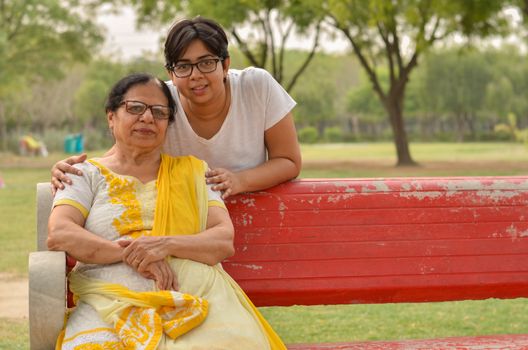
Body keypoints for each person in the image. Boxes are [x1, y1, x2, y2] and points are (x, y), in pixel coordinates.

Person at [47, 73, 286, 349]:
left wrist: (164, 245)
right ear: (111, 116)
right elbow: (60, 233)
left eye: (159, 112)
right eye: (135, 108)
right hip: (109, 305)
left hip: (197, 300)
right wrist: (135, 254)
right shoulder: (82, 174)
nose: (148, 118)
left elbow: (222, 240)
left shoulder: (195, 172)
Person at [51, 16, 302, 199]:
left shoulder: (256, 86)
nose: (195, 75)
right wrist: (76, 170)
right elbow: (123, 156)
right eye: (183, 66)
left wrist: (239, 181)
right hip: (182, 223)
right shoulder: (160, 103)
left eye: (206, 63)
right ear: (170, 72)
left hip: (255, 216)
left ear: (225, 65)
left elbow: (288, 161)